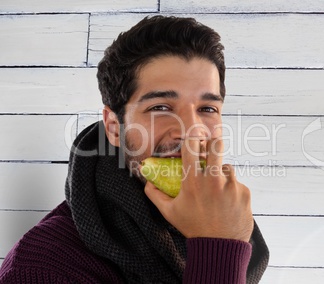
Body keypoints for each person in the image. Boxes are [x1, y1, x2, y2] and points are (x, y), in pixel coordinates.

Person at [0, 16, 269, 283]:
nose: (191, 131)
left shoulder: (230, 226)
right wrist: (217, 244)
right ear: (115, 127)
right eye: (160, 107)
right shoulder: (42, 268)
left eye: (207, 109)